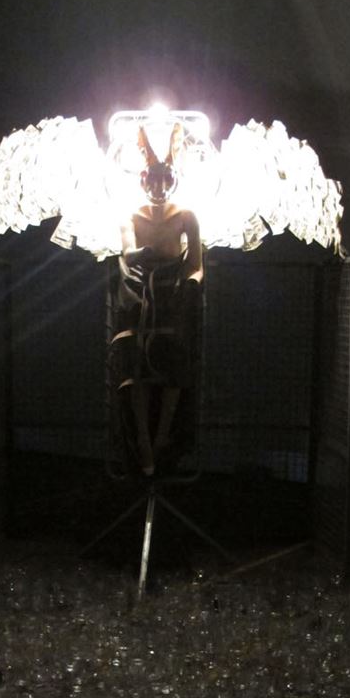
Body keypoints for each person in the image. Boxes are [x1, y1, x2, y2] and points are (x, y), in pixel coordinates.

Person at [112, 123, 203, 477]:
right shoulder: (131, 215)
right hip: (140, 293)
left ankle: (163, 436)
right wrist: (143, 254)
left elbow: (196, 264)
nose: (159, 187)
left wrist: (190, 284)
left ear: (174, 180)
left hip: (173, 297)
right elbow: (127, 252)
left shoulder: (187, 215)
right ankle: (142, 440)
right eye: (153, 179)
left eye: (165, 180)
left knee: (173, 366)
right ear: (143, 179)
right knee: (136, 366)